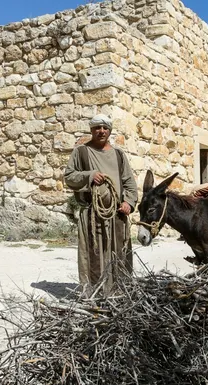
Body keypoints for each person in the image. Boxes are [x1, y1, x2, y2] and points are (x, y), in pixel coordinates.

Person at [63, 114, 138, 295]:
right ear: (91, 130)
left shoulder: (119, 155)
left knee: (119, 254)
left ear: (110, 131)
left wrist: (129, 202)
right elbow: (69, 177)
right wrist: (89, 176)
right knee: (94, 254)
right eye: (97, 128)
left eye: (105, 128)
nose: (101, 131)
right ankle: (95, 294)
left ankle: (120, 293)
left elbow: (129, 183)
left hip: (117, 214)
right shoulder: (81, 152)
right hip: (91, 213)